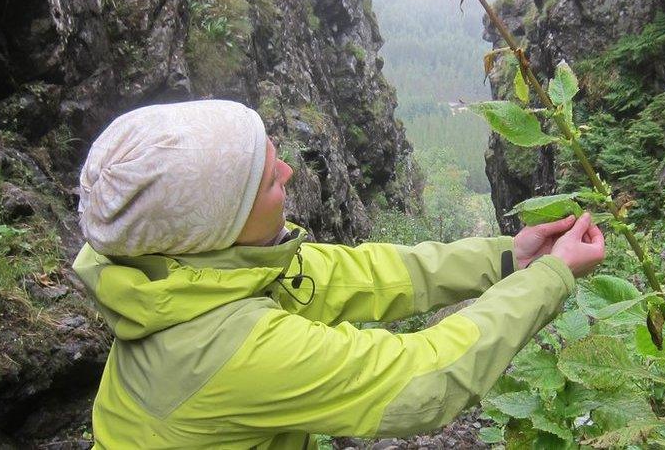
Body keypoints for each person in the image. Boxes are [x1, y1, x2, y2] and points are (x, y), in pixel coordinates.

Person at [72, 100, 605, 449]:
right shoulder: (228, 350)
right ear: (219, 225)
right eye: (266, 180)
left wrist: (508, 259)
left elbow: (369, 274)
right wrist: (551, 277)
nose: (288, 172)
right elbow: (423, 381)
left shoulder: (198, 272)